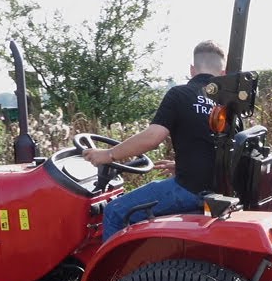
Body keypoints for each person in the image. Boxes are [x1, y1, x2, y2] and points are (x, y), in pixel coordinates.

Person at [84, 40, 226, 241]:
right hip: (215, 189)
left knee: (114, 212)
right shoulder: (228, 105)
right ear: (223, 74)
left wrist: (107, 155)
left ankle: (115, 274)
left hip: (189, 190)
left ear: (192, 70)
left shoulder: (180, 94)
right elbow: (224, 150)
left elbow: (152, 138)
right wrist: (184, 166)